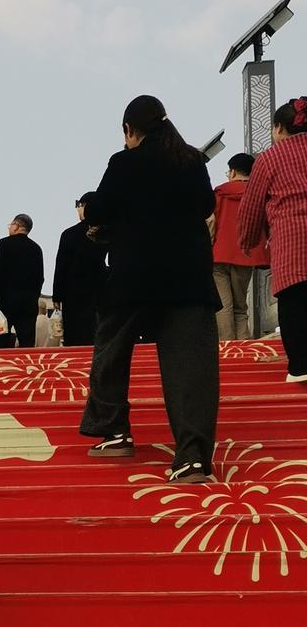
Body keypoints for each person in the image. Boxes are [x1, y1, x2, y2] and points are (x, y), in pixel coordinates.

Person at [79, 94, 218, 483]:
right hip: (188, 278)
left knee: (111, 349)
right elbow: (206, 206)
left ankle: (114, 431)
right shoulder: (192, 161)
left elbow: (98, 210)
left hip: (134, 277)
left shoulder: (124, 163)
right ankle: (192, 457)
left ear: (129, 130)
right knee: (191, 366)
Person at [239, 96, 307, 384]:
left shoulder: (269, 158)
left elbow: (251, 206)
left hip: (292, 244)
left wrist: (247, 239)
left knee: (294, 303)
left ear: (279, 127)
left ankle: (301, 367)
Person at [211, 153, 268, 342]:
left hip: (219, 256)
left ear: (233, 172)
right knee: (240, 306)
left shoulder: (219, 194)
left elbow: (210, 223)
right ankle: (244, 345)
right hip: (245, 256)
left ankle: (227, 346)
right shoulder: (258, 195)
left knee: (223, 305)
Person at [51, 194, 107, 348]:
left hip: (73, 293)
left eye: (79, 205)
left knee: (75, 336)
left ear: (87, 207)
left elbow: (61, 266)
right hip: (99, 290)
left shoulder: (69, 234)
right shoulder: (106, 232)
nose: (78, 210)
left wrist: (57, 294)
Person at [0, 214, 45, 348]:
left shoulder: (3, 244)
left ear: (16, 226)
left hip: (5, 300)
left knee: (0, 340)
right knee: (26, 341)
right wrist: (34, 296)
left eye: (10, 225)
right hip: (28, 302)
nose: (9, 228)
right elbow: (40, 277)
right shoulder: (36, 248)